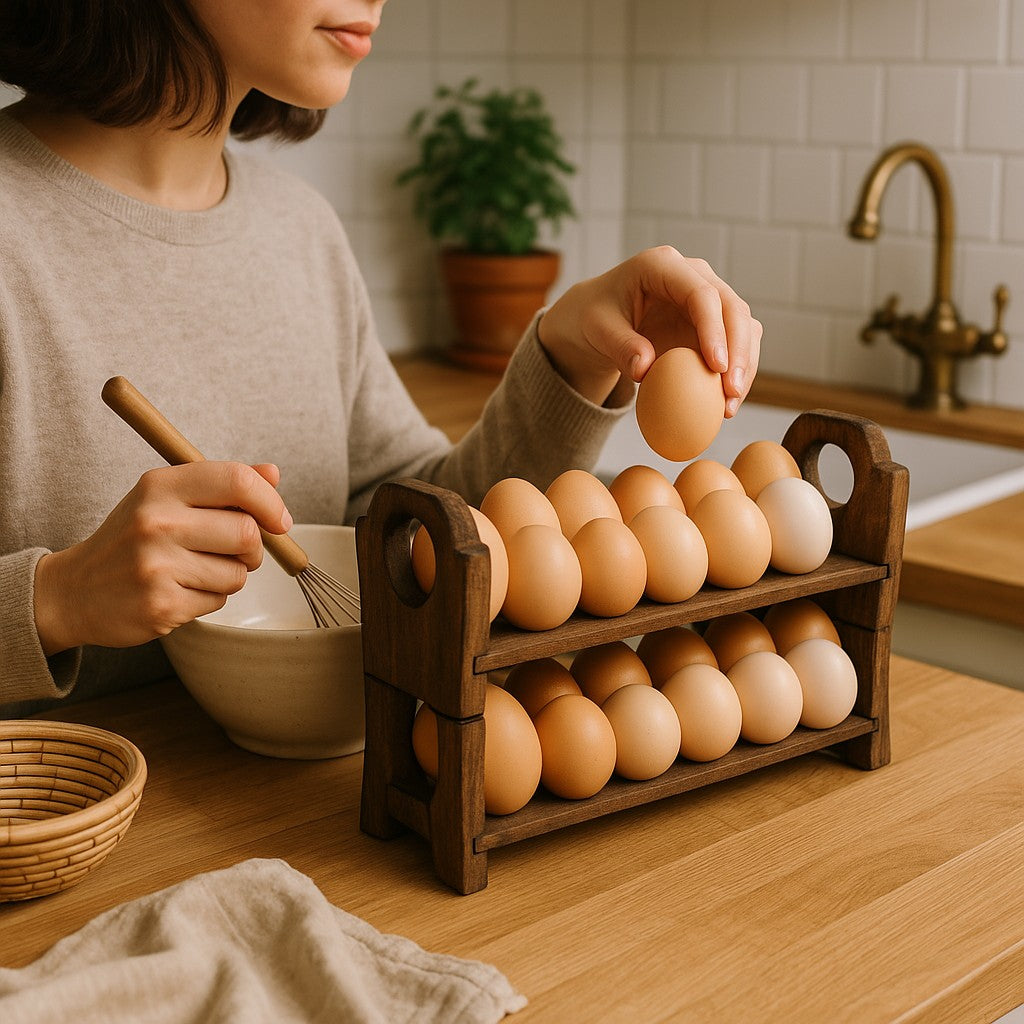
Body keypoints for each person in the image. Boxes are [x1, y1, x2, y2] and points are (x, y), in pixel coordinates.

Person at [0, 1, 761, 716]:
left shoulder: (299, 230)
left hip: (297, 827)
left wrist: (569, 359)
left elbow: (416, 528)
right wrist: (57, 599)